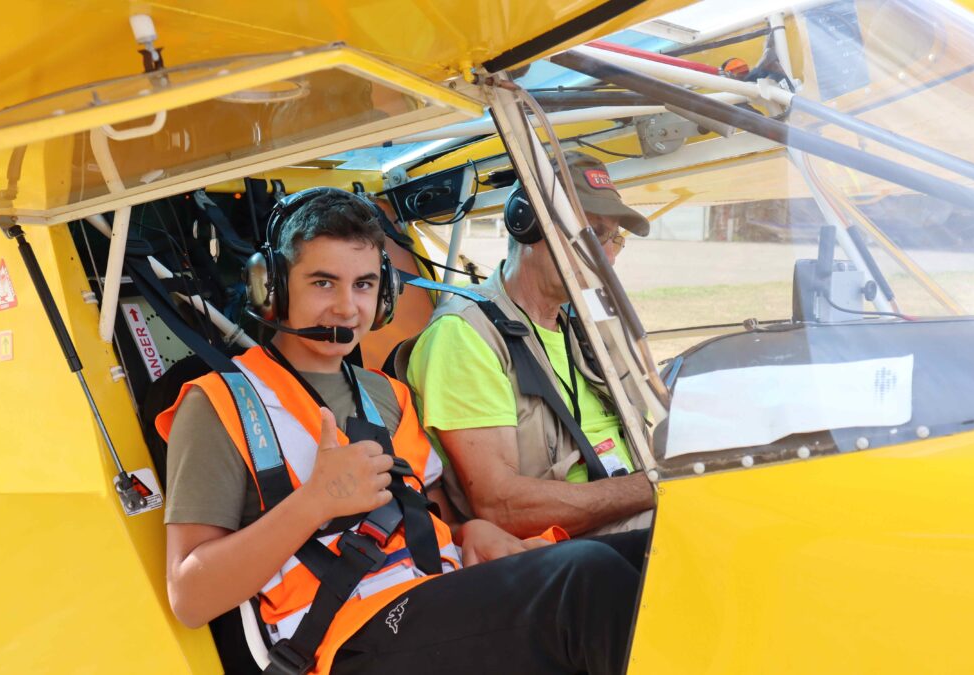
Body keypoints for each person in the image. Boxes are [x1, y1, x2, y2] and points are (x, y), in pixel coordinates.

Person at [156, 188, 645, 674]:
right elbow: (190, 597)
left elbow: (435, 524)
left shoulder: (387, 395)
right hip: (344, 637)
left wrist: (469, 531)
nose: (347, 308)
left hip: (433, 598)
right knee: (587, 580)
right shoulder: (217, 404)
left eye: (365, 285)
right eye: (323, 283)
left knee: (648, 553)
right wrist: (315, 503)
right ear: (274, 287)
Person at [402, 152, 655, 539]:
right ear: (528, 226)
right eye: (595, 233)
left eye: (615, 239)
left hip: (630, 518)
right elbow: (501, 505)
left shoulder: (586, 328)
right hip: (566, 548)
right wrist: (655, 486)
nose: (607, 256)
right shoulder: (464, 336)